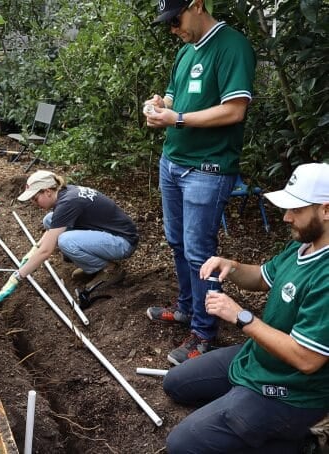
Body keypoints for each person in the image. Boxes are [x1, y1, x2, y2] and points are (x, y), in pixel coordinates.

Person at [163, 162, 329, 453]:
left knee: (181, 445)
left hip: (295, 390)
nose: (286, 217)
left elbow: (307, 360)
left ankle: (303, 439)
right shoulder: (305, 244)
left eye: (297, 210)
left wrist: (240, 316)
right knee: (176, 383)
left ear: (326, 210)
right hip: (263, 357)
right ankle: (245, 401)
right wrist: (232, 266)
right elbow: (263, 277)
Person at [143, 0, 256, 364]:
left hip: (207, 168)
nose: (174, 29)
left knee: (199, 252)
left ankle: (205, 335)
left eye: (176, 20)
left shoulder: (232, 45)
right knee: (177, 242)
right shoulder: (187, 51)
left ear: (197, 5)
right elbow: (175, 96)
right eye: (168, 24)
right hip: (173, 162)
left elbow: (234, 109)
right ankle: (188, 309)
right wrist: (160, 106)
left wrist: (177, 119)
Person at [0, 170, 138, 304]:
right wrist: (33, 251)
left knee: (65, 241)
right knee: (49, 219)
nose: (34, 203)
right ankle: (94, 264)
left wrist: (16, 278)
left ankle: (107, 269)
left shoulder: (67, 203)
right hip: (107, 232)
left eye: (35, 199)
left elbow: (46, 251)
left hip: (122, 242)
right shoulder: (65, 193)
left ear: (47, 191)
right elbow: (48, 236)